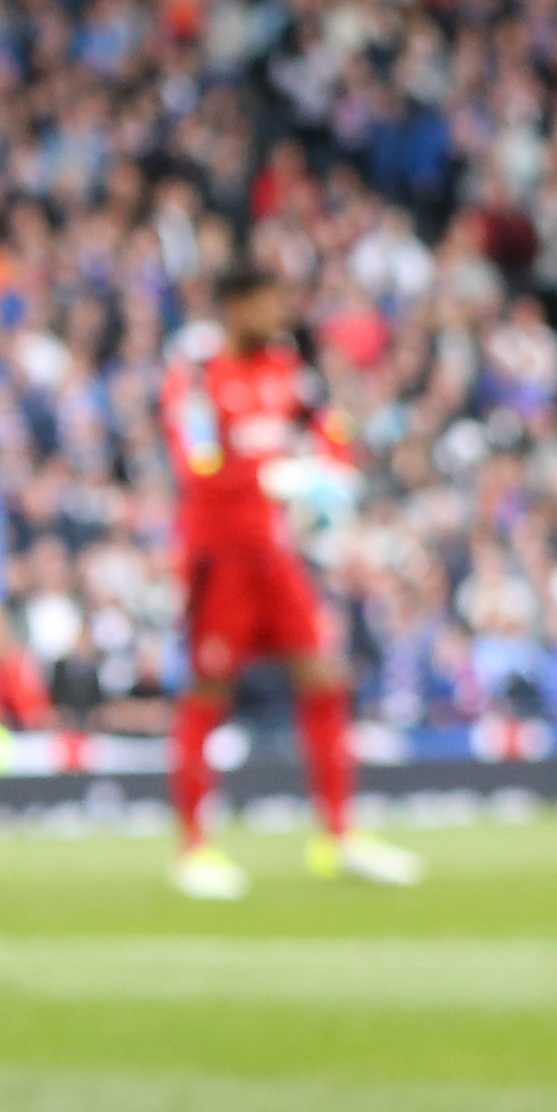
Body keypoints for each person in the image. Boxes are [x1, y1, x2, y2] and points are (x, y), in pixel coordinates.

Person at [156, 256, 419, 901]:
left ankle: (338, 836)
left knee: (325, 678)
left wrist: (330, 466)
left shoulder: (287, 371)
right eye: (269, 304)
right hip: (221, 560)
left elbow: (326, 427)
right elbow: (194, 462)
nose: (281, 317)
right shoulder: (198, 378)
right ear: (236, 306)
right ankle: (195, 849)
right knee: (209, 691)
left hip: (276, 558)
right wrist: (267, 474)